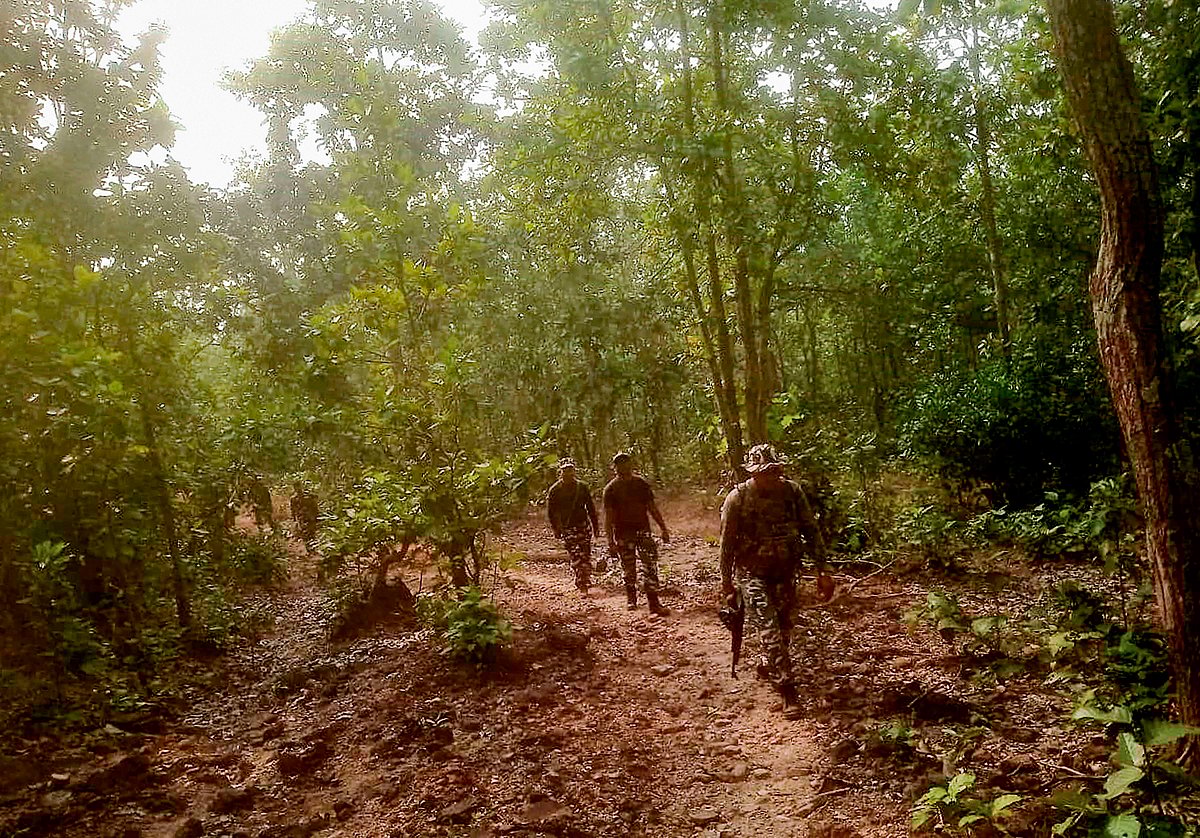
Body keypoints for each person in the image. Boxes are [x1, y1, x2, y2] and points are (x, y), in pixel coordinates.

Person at [719, 444, 827, 719]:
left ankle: (769, 663)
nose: (769, 477)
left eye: (773, 471)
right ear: (753, 473)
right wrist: (727, 583)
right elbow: (727, 545)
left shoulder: (792, 492)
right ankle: (787, 689)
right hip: (751, 573)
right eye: (763, 473)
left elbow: (811, 530)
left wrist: (822, 570)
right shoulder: (738, 498)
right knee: (769, 628)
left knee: (784, 626)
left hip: (785, 570)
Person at [603, 452, 670, 614]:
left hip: (643, 531)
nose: (623, 466)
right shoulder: (611, 489)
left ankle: (653, 602)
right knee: (628, 567)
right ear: (615, 467)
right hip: (623, 533)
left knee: (650, 565)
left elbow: (652, 508)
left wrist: (663, 528)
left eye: (626, 462)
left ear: (631, 464)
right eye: (619, 464)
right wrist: (610, 541)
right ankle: (631, 599)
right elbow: (609, 517)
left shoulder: (641, 484)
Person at [546, 458, 600, 593]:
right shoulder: (555, 490)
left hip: (583, 525)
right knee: (575, 555)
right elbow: (551, 512)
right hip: (567, 527)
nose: (568, 473)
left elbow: (591, 508)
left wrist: (596, 527)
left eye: (570, 470)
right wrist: (556, 529)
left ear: (574, 471)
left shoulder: (582, 487)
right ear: (561, 472)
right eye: (565, 470)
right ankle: (581, 583)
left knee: (585, 554)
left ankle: (585, 577)